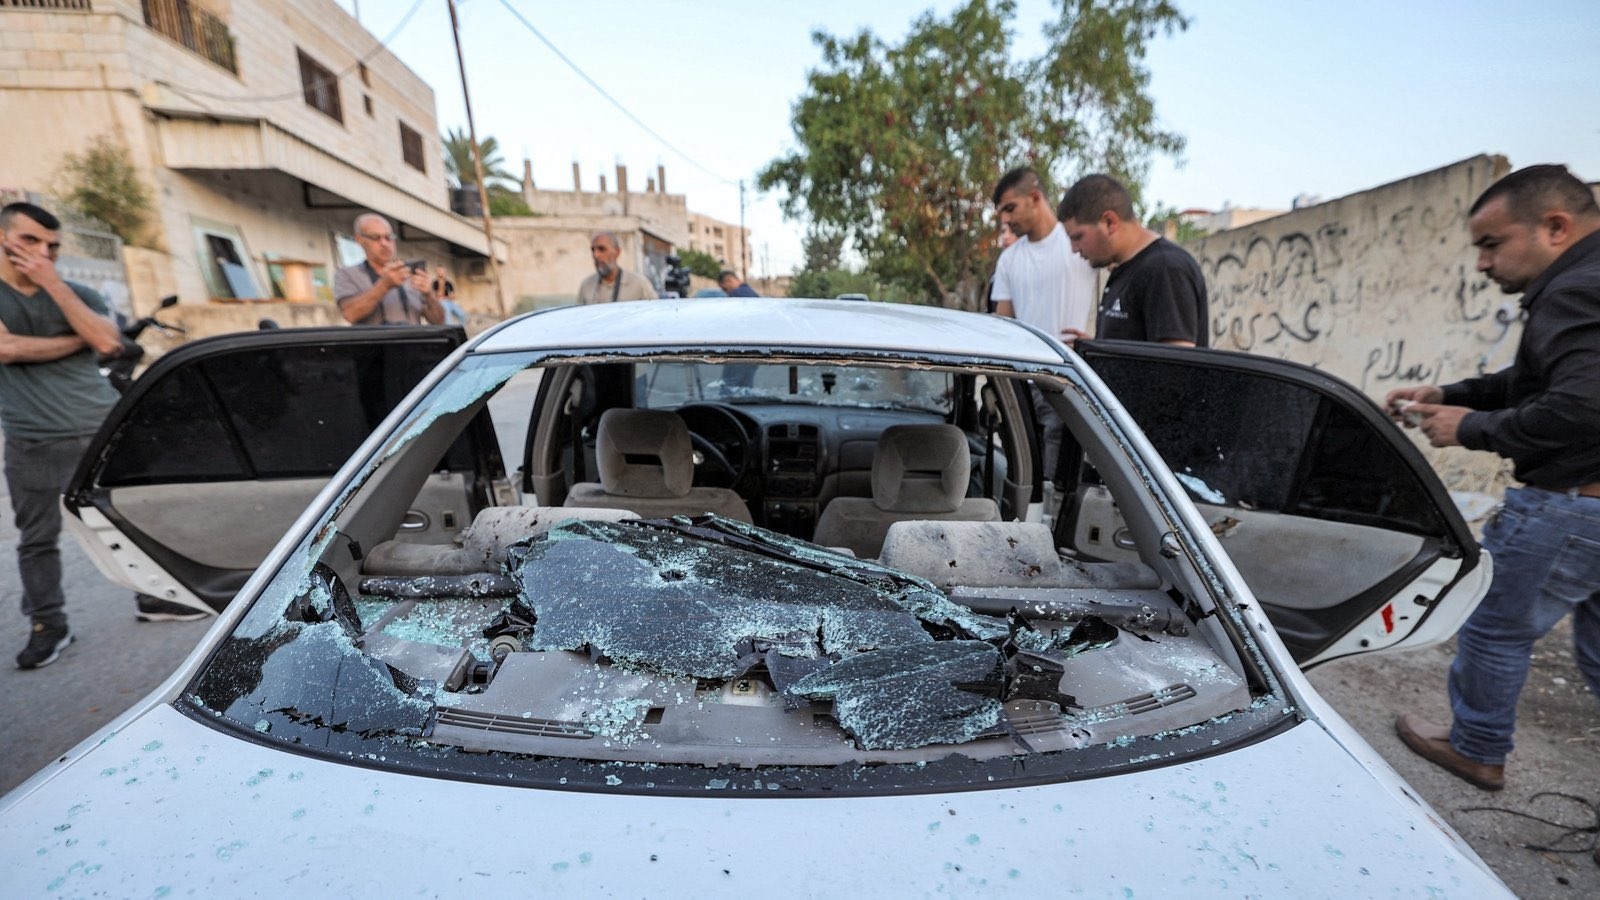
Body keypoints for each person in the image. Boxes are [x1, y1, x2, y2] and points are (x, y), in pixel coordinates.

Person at [1386, 164, 1600, 792]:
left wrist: (1470, 427)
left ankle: (1477, 747)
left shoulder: (1574, 291)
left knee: (1494, 626)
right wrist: (1449, 393)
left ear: (1555, 227)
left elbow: (1581, 407)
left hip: (1568, 508)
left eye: (1491, 243)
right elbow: (1537, 382)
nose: (1482, 264)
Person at [1, 203, 200, 670]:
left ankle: (153, 598)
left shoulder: (76, 290)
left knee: (129, 519)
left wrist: (52, 283)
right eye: (30, 241)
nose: (43, 253)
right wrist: (75, 339)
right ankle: (49, 624)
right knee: (37, 537)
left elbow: (110, 343)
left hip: (99, 424)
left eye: (52, 246)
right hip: (32, 438)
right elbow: (5, 349)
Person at [990, 167, 1097, 484]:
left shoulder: (1078, 243)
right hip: (1022, 383)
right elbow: (1001, 325)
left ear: (1035, 198)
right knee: (1021, 478)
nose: (1006, 220)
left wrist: (1100, 343)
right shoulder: (1009, 260)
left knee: (1054, 482)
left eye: (1010, 208)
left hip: (1065, 380)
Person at [1057, 173, 1209, 347]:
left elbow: (1176, 364)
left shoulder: (1165, 269)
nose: (1074, 249)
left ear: (1109, 222)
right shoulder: (1126, 268)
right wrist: (1096, 349)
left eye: (1077, 237)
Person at [333, 213, 444, 326]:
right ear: (360, 240)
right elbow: (350, 314)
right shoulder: (347, 274)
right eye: (376, 238)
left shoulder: (410, 273)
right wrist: (384, 285)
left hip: (412, 342)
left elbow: (439, 321)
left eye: (389, 237)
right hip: (373, 343)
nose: (384, 243)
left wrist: (429, 295)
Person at [577, 232, 657, 304]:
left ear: (617, 252)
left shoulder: (639, 284)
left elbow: (656, 313)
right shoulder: (586, 286)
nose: (596, 255)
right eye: (593, 250)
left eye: (602, 249)